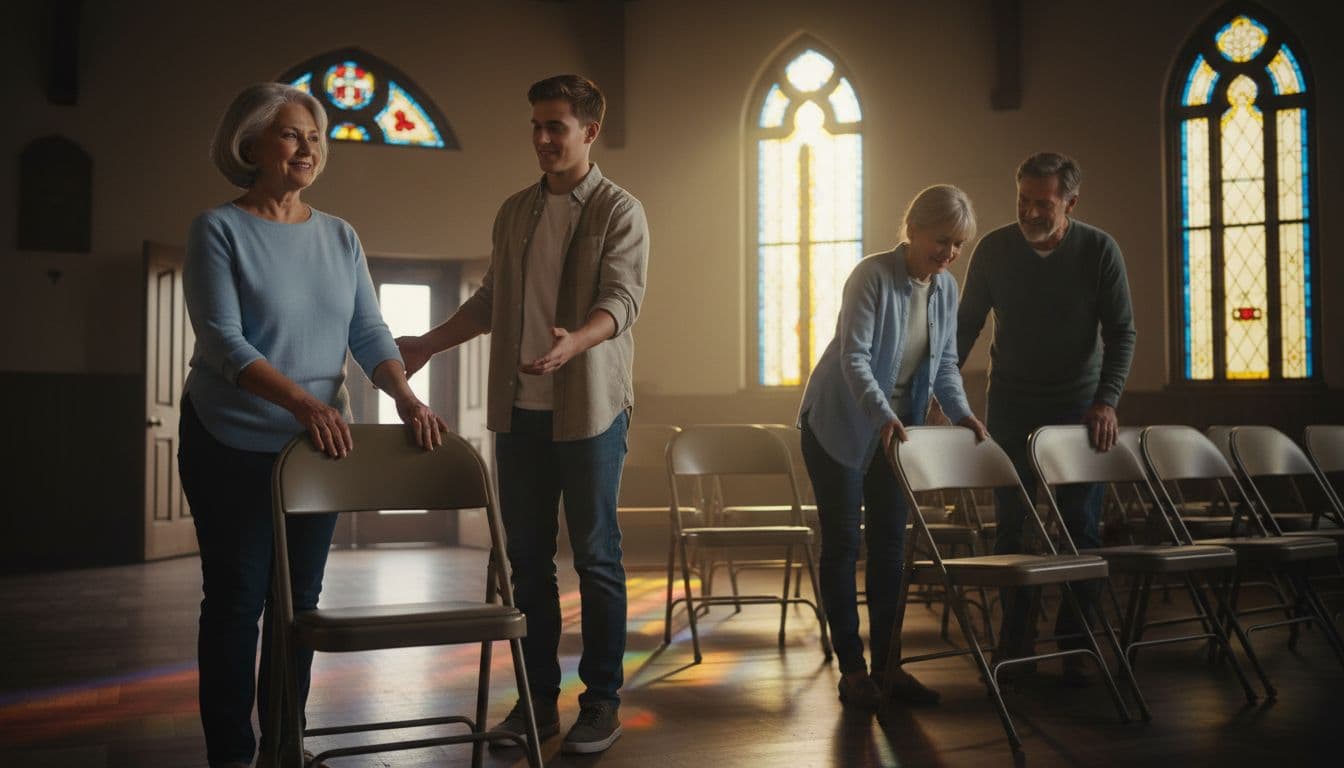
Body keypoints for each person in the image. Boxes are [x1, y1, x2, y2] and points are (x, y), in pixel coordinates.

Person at [180, 82, 447, 768]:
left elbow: (368, 330)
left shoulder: (340, 235)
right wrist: (305, 403)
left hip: (314, 450)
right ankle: (231, 755)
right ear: (251, 145)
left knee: (299, 603)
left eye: (316, 137)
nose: (307, 148)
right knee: (238, 600)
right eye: (291, 134)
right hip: (231, 438)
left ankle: (284, 745)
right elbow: (224, 342)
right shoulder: (218, 229)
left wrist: (404, 396)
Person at [398, 74, 648, 754]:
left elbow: (622, 301)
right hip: (519, 414)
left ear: (589, 131)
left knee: (596, 558)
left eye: (555, 126)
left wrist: (576, 342)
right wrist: (427, 343)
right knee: (528, 561)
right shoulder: (514, 211)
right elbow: (490, 301)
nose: (541, 138)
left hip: (591, 411)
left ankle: (601, 702)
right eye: (535, 125)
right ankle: (537, 702)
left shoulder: (620, 211)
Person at [797, 184, 988, 710]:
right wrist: (883, 414)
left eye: (958, 245)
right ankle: (853, 671)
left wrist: (962, 411)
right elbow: (854, 357)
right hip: (838, 425)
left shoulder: (945, 288)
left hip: (896, 432)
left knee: (889, 548)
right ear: (914, 229)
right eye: (942, 240)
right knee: (843, 546)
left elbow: (944, 364)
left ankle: (889, 667)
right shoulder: (871, 276)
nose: (949, 253)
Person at [956, 151, 1136, 684]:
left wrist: (1107, 400)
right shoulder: (994, 250)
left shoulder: (1099, 250)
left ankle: (1076, 643)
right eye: (1023, 200)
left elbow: (1121, 332)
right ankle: (1015, 639)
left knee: (1080, 527)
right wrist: (942, 392)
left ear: (1070, 203)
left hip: (1080, 408)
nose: (1031, 212)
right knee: (1011, 528)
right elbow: (965, 327)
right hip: (1011, 404)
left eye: (1044, 204)